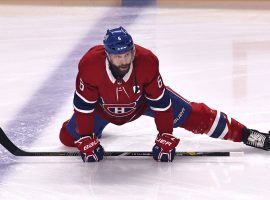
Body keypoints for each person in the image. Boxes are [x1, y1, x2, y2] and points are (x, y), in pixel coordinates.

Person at [59, 26, 270, 162]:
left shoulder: (147, 61)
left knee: (196, 116)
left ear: (133, 51)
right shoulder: (90, 65)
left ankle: (247, 134)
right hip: (102, 109)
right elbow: (84, 107)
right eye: (118, 56)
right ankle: (93, 132)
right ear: (107, 55)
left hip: (142, 103)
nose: (123, 61)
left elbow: (160, 104)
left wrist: (165, 136)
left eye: (127, 54)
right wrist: (86, 138)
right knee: (68, 138)